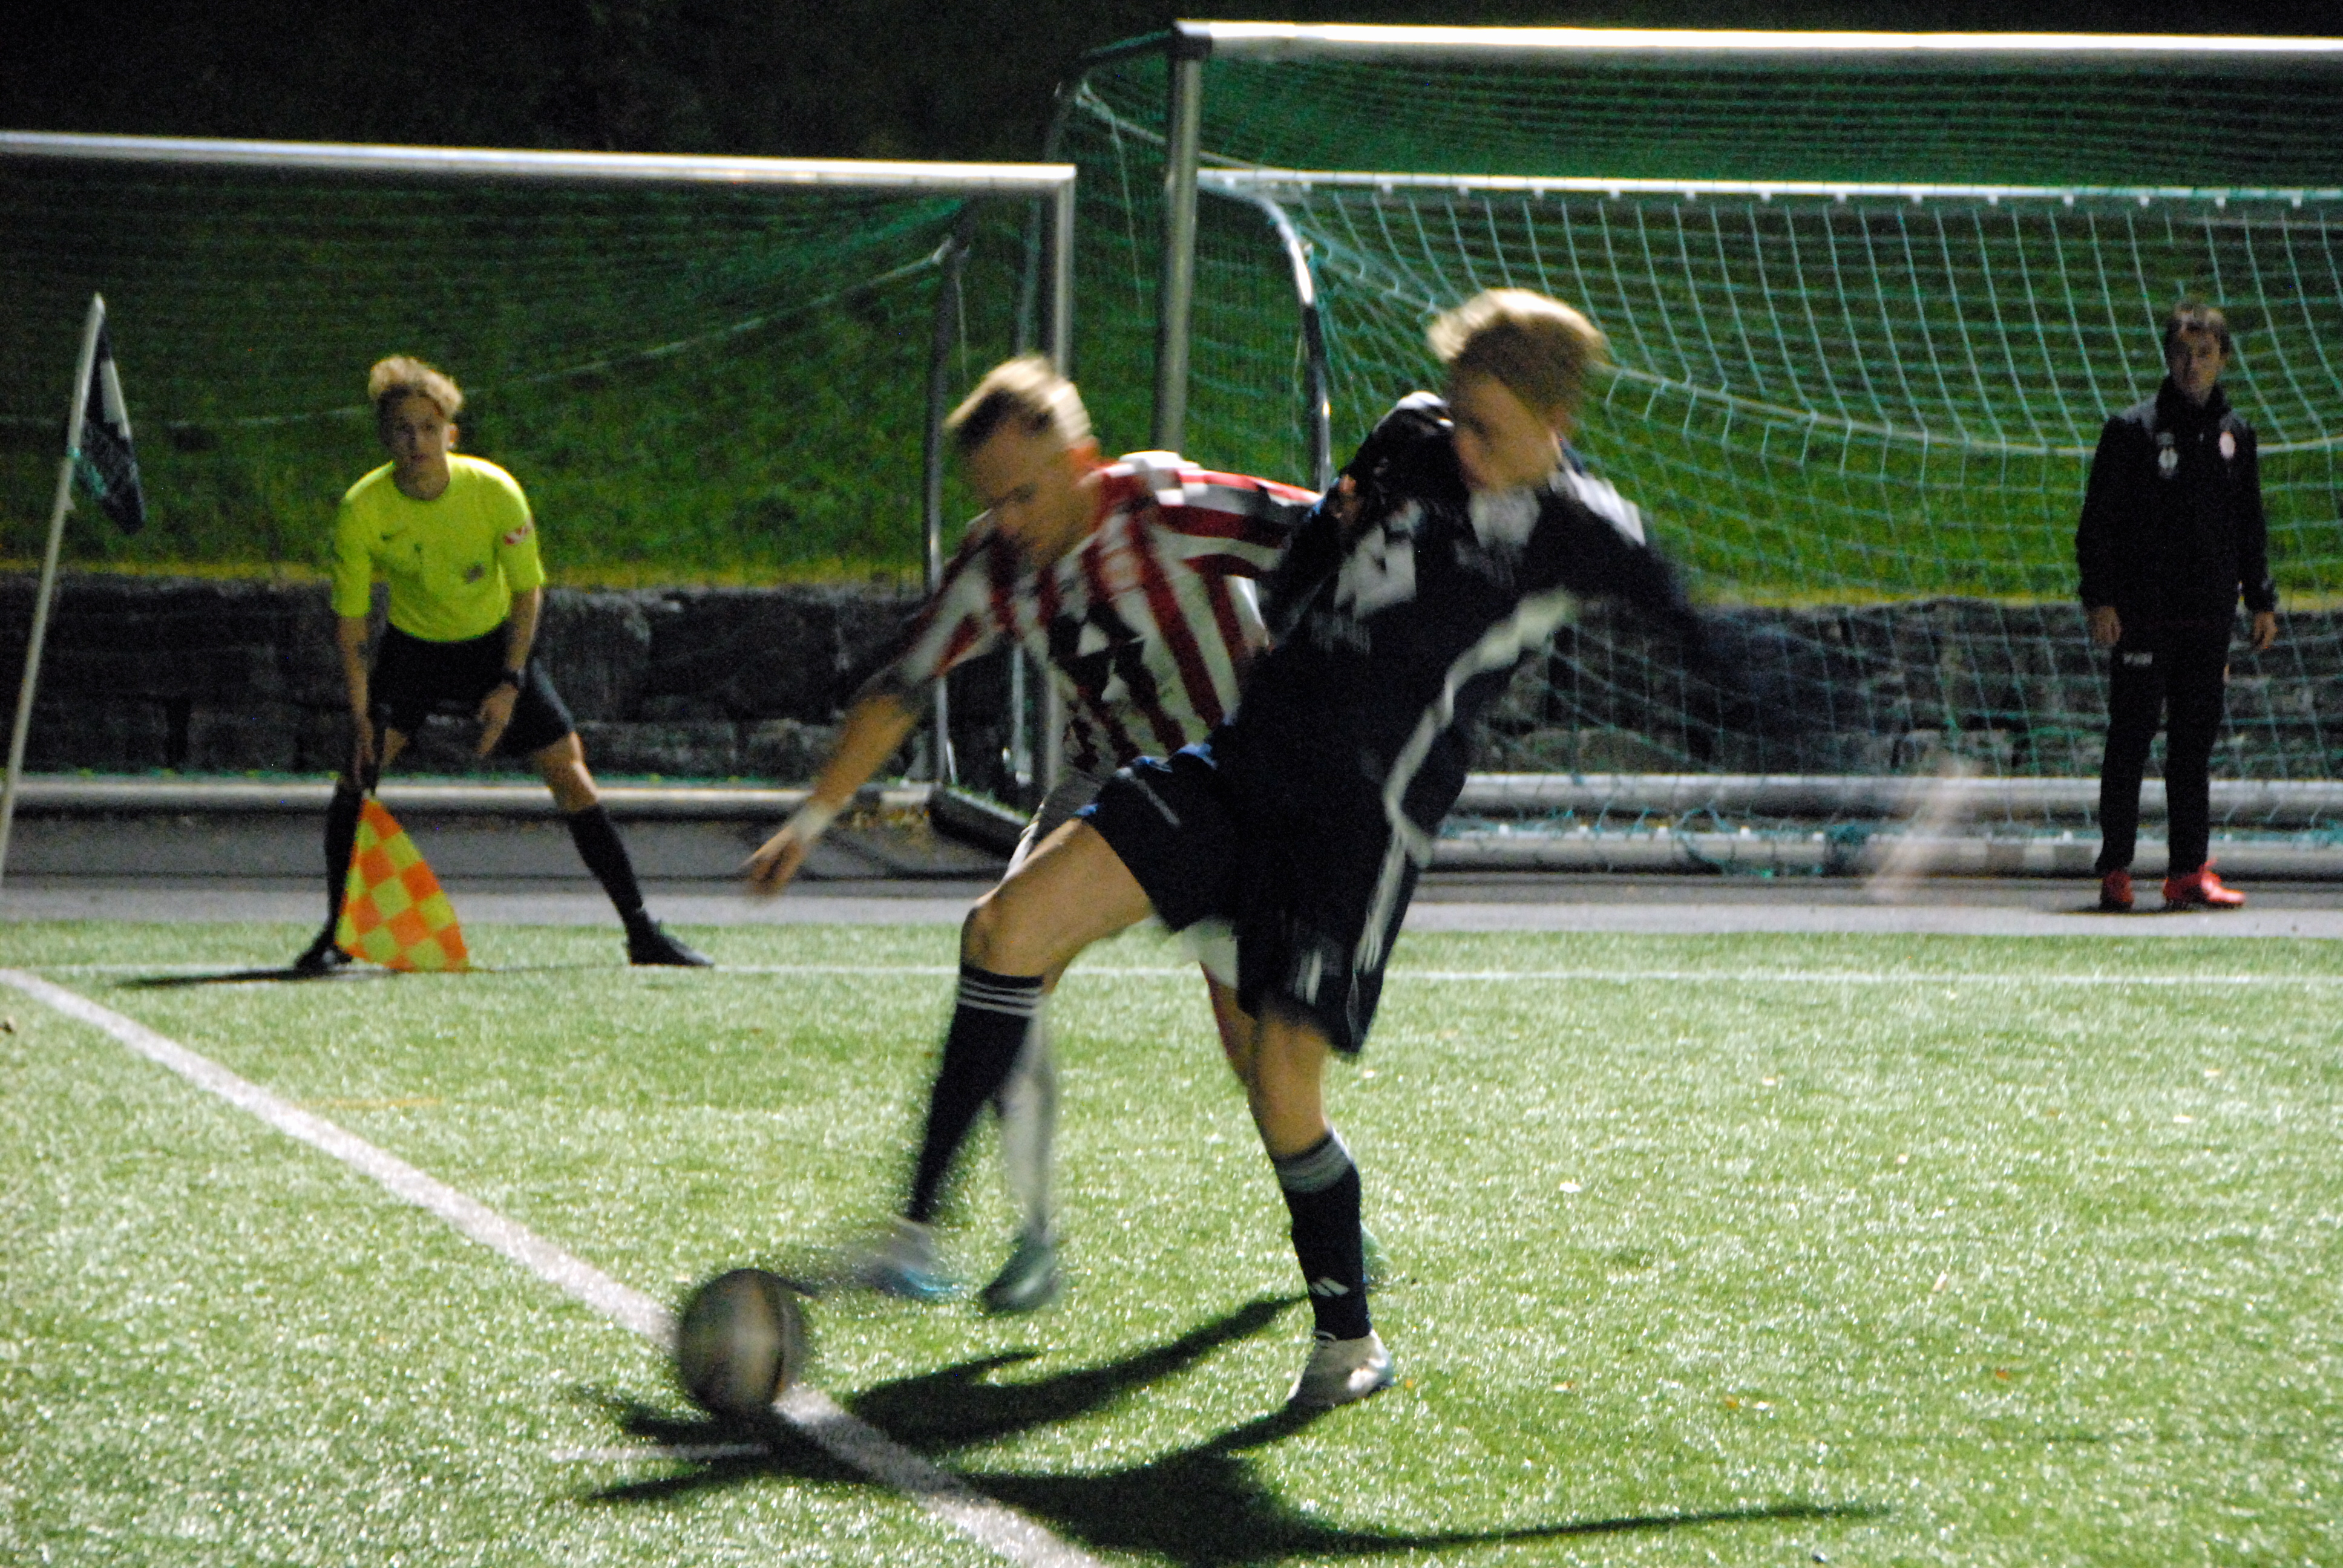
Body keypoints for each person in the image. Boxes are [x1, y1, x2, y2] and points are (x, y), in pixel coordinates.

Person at [870, 290, 1717, 1408]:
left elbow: (1714, 648)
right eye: (1457, 415)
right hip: (1241, 766)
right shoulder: (1414, 435)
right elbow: (1305, 553)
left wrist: (1845, 765)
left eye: (1489, 430)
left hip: (1354, 833)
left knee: (1277, 1080)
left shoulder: (1587, 533)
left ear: (1556, 423)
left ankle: (1347, 1340)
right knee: (1004, 928)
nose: (1461, 445)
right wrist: (1322, 566)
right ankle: (916, 1231)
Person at [744, 356, 1314, 1313]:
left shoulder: (1171, 510)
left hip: (1229, 794)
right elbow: (902, 686)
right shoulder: (993, 568)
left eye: (1024, 495)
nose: (1008, 521)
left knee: (1257, 1052)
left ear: (1082, 462)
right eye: (992, 501)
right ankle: (995, 1238)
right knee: (1005, 953)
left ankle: (1328, 1221)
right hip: (1104, 788)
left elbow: (1333, 535)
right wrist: (811, 819)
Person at [293, 356, 709, 973]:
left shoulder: (494, 491)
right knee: (357, 775)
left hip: (494, 646)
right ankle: (337, 933)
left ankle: (641, 930)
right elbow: (351, 624)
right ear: (386, 439)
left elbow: (527, 592)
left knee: (569, 772)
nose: (416, 442)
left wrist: (510, 681)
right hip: (414, 650)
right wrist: (361, 717)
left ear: (451, 435)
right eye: (403, 430)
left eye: (428, 428)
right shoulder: (363, 509)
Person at [2077, 302, 2278, 912]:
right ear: (2167, 358)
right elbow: (2097, 525)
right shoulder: (2131, 430)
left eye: (2204, 355)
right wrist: (2100, 599)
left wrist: (2260, 600)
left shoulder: (2235, 435)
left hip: (2208, 615)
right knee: (2130, 741)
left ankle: (2187, 871)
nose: (2192, 366)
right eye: (2182, 354)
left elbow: (2248, 524)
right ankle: (2116, 868)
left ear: (2223, 359)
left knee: (2192, 747)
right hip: (2143, 614)